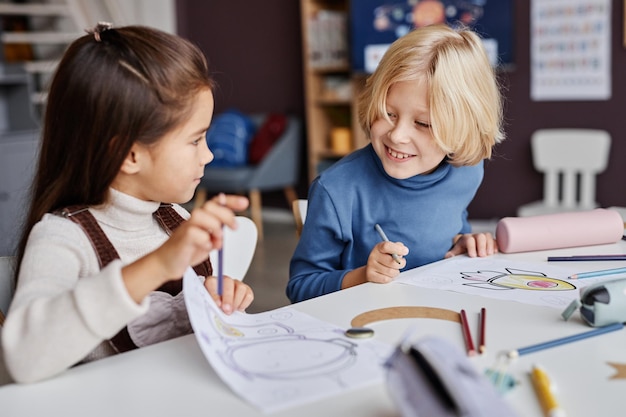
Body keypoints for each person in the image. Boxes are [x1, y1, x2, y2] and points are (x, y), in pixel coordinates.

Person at [2, 23, 254, 383]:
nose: (209, 155)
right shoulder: (62, 239)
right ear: (129, 154)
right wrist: (159, 264)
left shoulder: (174, 219)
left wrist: (216, 304)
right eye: (195, 140)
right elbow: (22, 360)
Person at [288, 24, 504, 303]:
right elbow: (300, 287)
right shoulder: (336, 190)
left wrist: (463, 242)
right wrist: (363, 275)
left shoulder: (467, 172)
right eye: (387, 113)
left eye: (423, 123)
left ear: (463, 128)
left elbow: (450, 223)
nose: (398, 135)